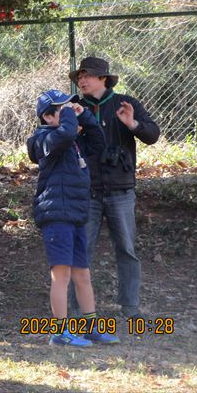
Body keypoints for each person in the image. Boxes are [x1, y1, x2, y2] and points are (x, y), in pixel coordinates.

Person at [27, 89, 120, 347]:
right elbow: (65, 133)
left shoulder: (72, 141)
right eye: (62, 108)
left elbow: (99, 142)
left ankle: (90, 327)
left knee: (83, 275)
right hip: (56, 214)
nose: (69, 110)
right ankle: (60, 333)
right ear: (47, 116)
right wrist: (70, 115)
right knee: (62, 275)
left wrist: (85, 116)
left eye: (69, 107)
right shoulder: (43, 139)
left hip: (75, 215)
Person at [69, 57, 160, 318]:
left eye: (88, 76)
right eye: (80, 77)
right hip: (87, 191)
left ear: (103, 78)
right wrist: (70, 128)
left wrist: (132, 124)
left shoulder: (125, 103)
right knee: (81, 250)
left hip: (121, 190)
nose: (82, 81)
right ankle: (77, 308)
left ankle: (130, 307)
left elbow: (152, 135)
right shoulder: (73, 107)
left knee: (127, 250)